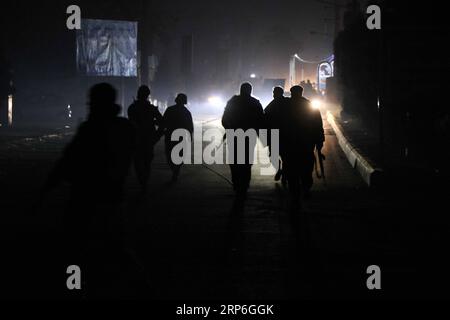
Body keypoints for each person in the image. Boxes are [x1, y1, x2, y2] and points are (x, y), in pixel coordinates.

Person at [280, 85, 324, 206]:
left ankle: (295, 191)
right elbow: (318, 125)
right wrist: (319, 141)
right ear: (301, 92)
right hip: (305, 143)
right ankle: (305, 188)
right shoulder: (308, 105)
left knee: (291, 166)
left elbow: (276, 122)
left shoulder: (285, 106)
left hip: (290, 143)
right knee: (306, 167)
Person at [222, 82, 264, 199]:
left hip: (234, 135)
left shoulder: (233, 101)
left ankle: (237, 183)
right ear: (250, 90)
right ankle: (244, 185)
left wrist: (228, 129)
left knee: (235, 161)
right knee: (246, 161)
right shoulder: (255, 103)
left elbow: (225, 119)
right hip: (249, 136)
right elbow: (261, 120)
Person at [128, 85, 163, 192]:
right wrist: (157, 135)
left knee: (139, 163)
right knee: (146, 163)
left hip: (137, 139)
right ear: (147, 95)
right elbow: (161, 122)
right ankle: (144, 183)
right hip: (147, 139)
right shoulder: (150, 108)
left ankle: (142, 182)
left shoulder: (132, 108)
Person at [161, 93, 193, 182]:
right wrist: (190, 136)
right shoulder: (186, 112)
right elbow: (190, 127)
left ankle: (175, 170)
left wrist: (160, 132)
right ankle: (176, 170)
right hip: (181, 137)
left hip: (170, 136)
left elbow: (163, 122)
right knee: (179, 155)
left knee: (169, 154)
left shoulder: (170, 110)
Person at [264, 86, 288, 185]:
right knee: (281, 156)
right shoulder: (284, 103)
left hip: (280, 133)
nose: (273, 94)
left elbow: (264, 116)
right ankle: (281, 171)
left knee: (280, 156)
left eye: (274, 92)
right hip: (281, 134)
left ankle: (283, 172)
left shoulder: (278, 104)